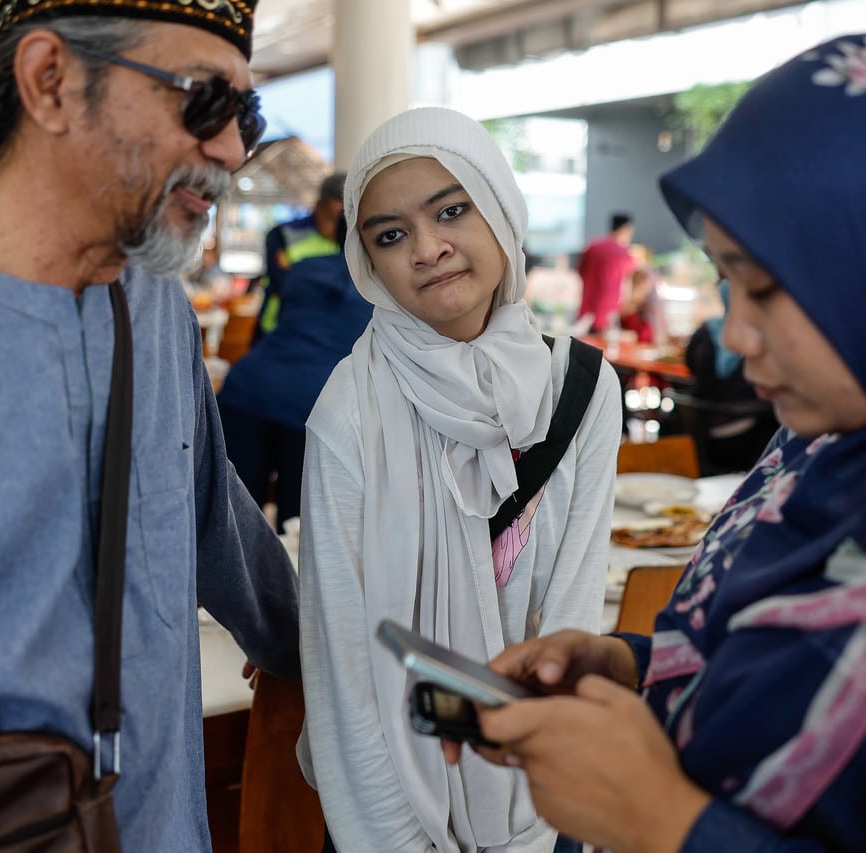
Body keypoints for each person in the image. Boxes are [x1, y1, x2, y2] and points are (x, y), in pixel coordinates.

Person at [448, 33, 866, 852]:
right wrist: (633, 666)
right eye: (725, 279)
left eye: (766, 285)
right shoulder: (835, 448)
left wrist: (662, 822)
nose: (737, 332)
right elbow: (789, 657)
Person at [0, 2, 299, 849]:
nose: (230, 150)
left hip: (154, 823)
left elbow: (209, 519)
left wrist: (327, 652)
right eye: (203, 102)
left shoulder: (154, 309)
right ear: (50, 82)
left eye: (246, 115)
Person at [297, 106, 623, 852]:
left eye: (451, 210)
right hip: (386, 810)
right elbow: (347, 666)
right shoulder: (348, 415)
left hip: (543, 798)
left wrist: (541, 823)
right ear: (367, 263)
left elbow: (571, 615)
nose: (428, 249)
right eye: (390, 234)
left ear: (501, 208)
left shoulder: (582, 384)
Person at [216, 214, 371, 529]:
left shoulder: (303, 269)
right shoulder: (383, 286)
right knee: (297, 527)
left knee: (234, 519)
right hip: (313, 406)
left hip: (248, 389)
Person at [682, 278, 779, 473]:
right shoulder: (759, 336)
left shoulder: (706, 330)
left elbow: (689, 365)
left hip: (698, 428)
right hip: (746, 435)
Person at [252, 170, 347, 344]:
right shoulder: (284, 234)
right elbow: (281, 283)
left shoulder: (355, 241)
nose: (346, 206)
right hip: (278, 330)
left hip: (332, 335)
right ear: (320, 204)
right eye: (340, 199)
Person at [576, 211, 636, 333]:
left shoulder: (592, 247)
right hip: (609, 316)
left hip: (586, 312)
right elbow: (628, 285)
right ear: (627, 229)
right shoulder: (625, 254)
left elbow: (580, 272)